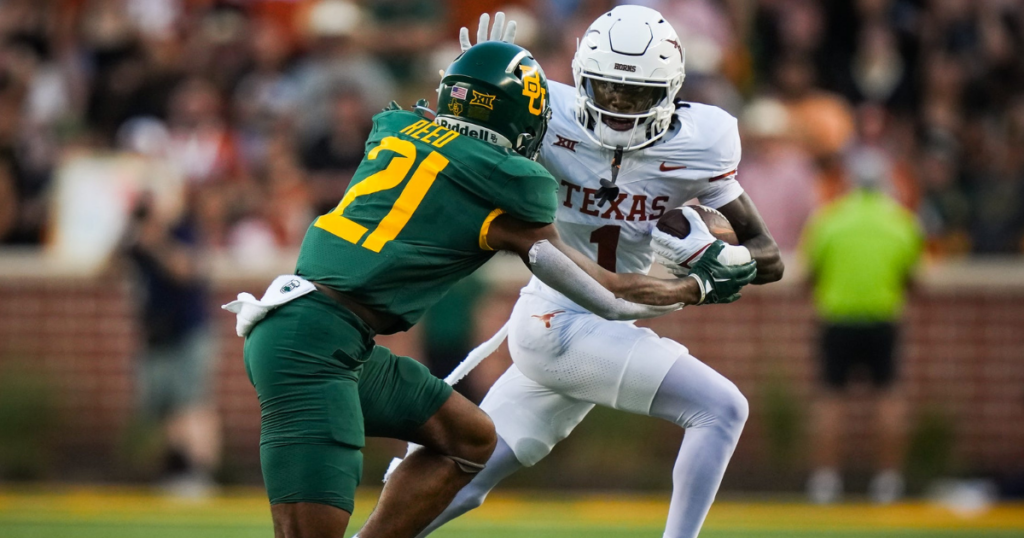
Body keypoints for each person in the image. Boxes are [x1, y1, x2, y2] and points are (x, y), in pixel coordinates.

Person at [226, 41, 757, 538]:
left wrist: (475, 76)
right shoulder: (505, 190)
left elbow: (444, 132)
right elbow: (609, 297)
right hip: (313, 346)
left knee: (471, 438)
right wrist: (696, 286)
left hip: (326, 333)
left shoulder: (397, 128)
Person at [420, 9, 784, 538]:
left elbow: (767, 254)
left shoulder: (703, 141)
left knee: (463, 480)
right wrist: (472, 92)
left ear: (670, 93)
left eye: (633, 96)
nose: (616, 107)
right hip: (559, 320)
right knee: (721, 409)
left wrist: (724, 256)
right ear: (581, 77)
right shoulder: (545, 110)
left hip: (592, 328)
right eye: (606, 90)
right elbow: (461, 146)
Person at [801, 147, 924, 505]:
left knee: (829, 400)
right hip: (883, 318)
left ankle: (825, 482)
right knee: (888, 398)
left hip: (837, 318)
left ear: (849, 181)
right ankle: (888, 481)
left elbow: (809, 276)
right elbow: (913, 279)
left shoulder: (829, 219)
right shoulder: (902, 221)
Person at [123, 194, 221, 496]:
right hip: (156, 336)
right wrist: (125, 238)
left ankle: (199, 475)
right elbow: (101, 272)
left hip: (189, 332)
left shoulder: (182, 231)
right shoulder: (136, 241)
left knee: (192, 404)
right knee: (161, 409)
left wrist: (156, 243)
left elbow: (185, 269)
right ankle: (174, 471)